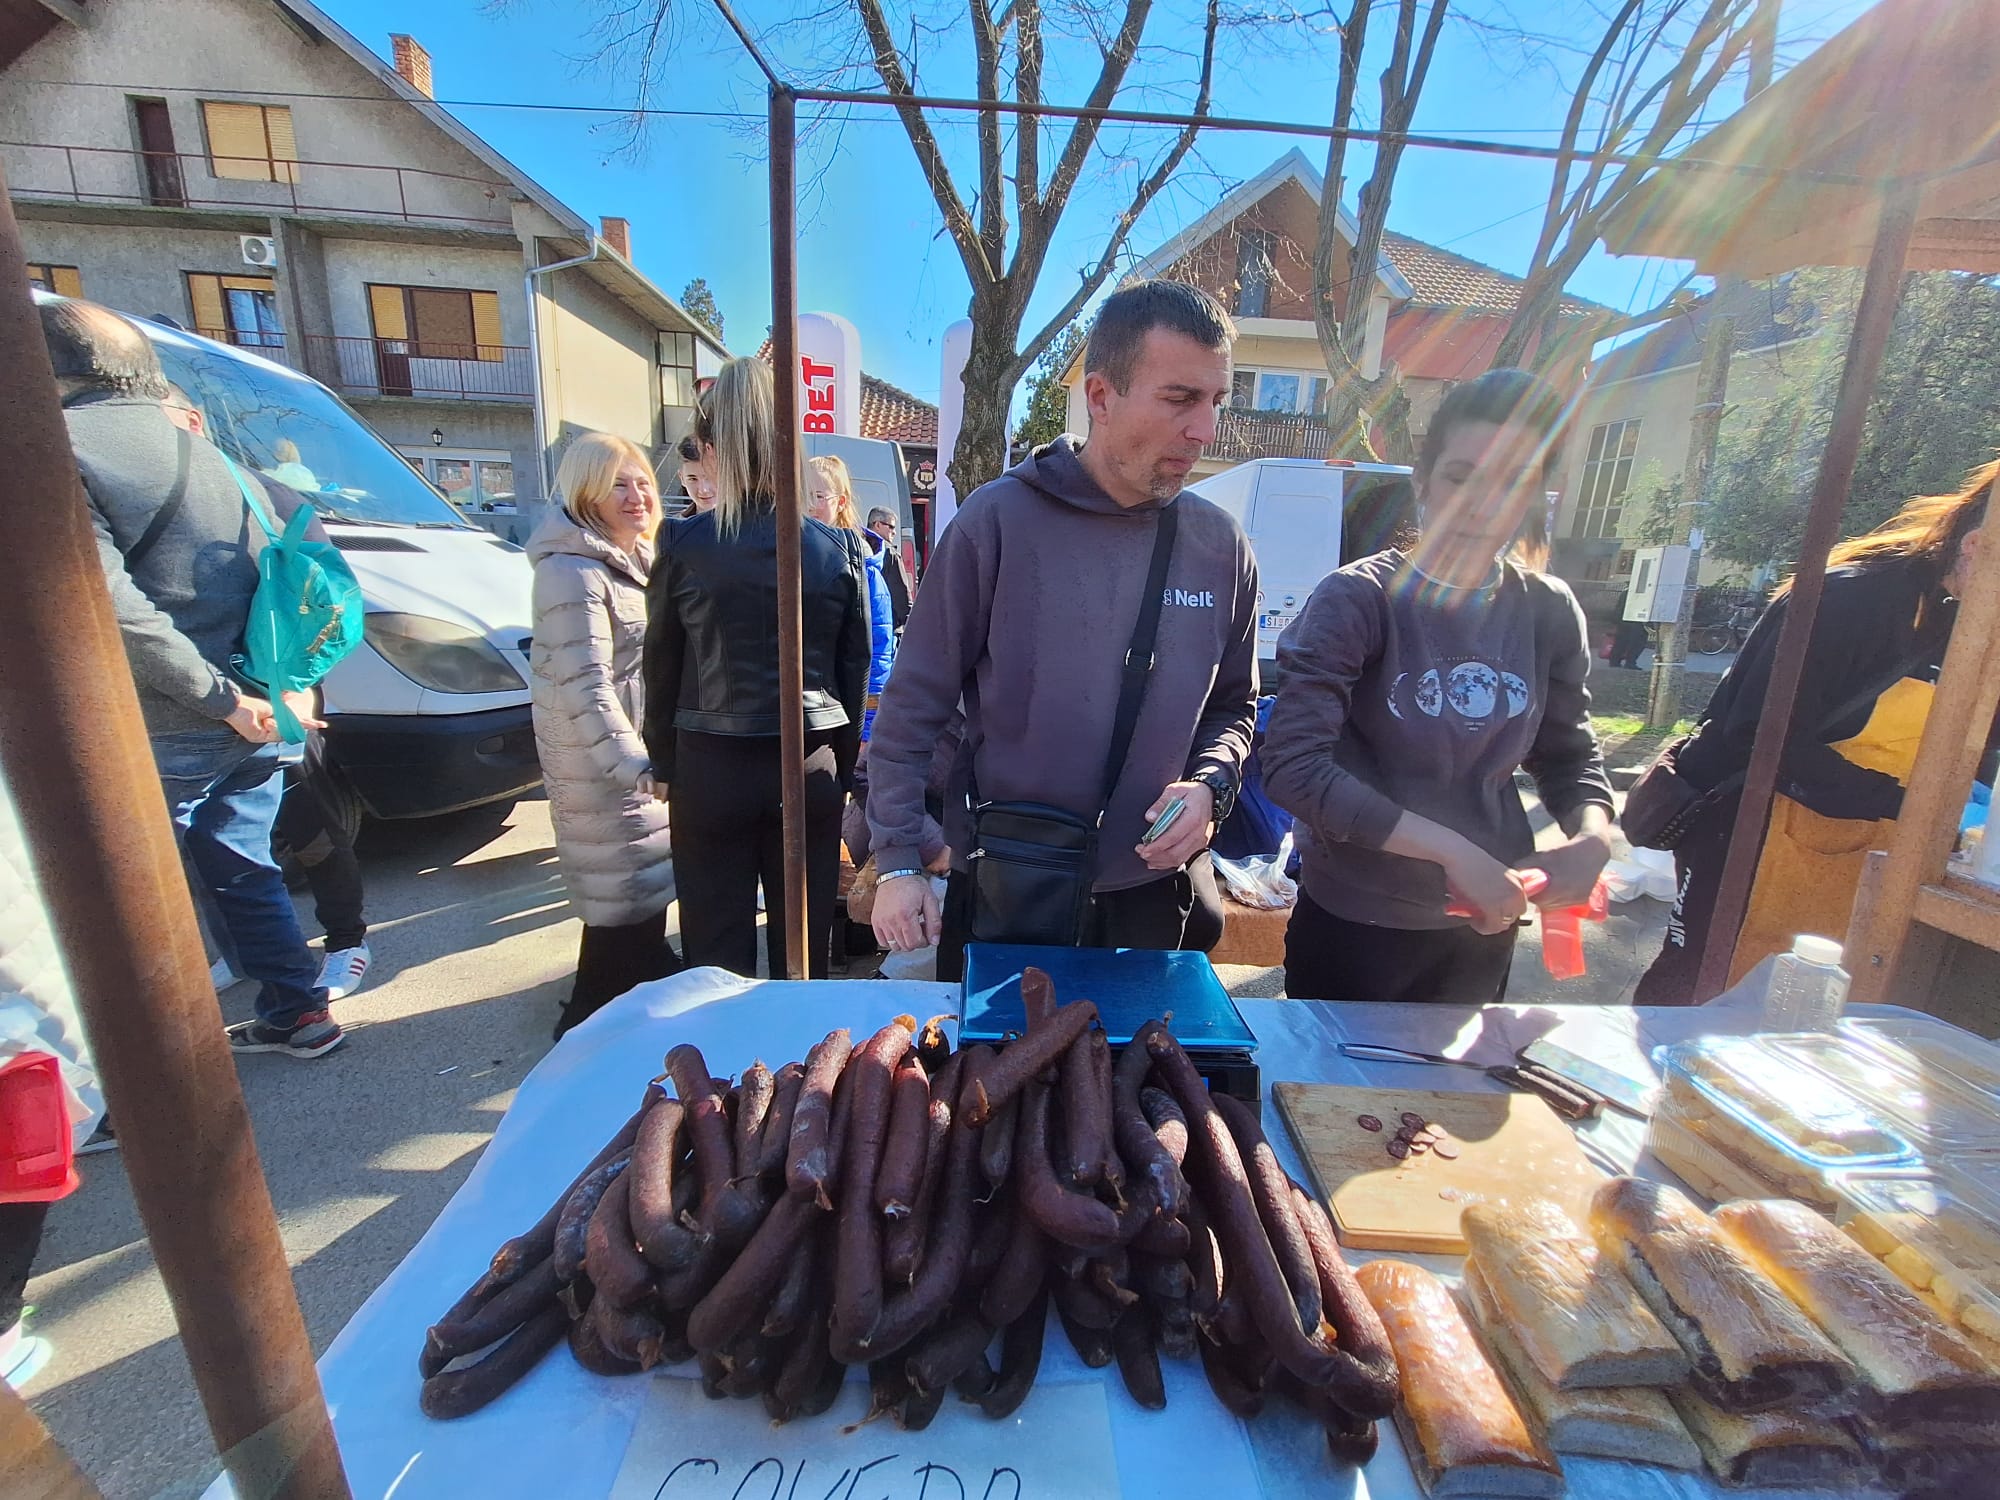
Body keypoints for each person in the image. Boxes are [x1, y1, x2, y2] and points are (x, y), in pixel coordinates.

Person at [867, 279, 1258, 979]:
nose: (1205, 430)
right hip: (1010, 892)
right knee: (995, 1057)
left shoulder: (1221, 546)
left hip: (1152, 903)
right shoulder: (996, 522)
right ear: (1101, 396)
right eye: (1179, 399)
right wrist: (898, 859)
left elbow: (1234, 706)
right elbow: (913, 704)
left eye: (1215, 401)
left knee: (1142, 1057)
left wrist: (1209, 786)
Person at [43, 298, 342, 1059]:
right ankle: (298, 1011)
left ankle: (139, 1074)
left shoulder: (60, 452)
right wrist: (287, 689)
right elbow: (298, 591)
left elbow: (112, 608)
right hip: (262, 710)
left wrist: (221, 700)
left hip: (171, 719)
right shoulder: (226, 462)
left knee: (125, 898)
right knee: (243, 866)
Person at [1262, 368, 1616, 1006]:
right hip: (1356, 927)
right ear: (1423, 480)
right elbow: (1294, 768)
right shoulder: (1359, 599)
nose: (1483, 504)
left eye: (1512, 482)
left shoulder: (1549, 609)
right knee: (1344, 1076)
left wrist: (1593, 837)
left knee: (1459, 1074)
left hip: (1487, 924)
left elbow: (1571, 757)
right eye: (1461, 476)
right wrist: (1453, 852)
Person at [1635, 464, 1990, 1004]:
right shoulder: (1850, 601)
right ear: (1976, 547)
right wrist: (1908, 803)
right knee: (1703, 1001)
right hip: (1758, 842)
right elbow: (1762, 737)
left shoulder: (1968, 622)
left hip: (1869, 858)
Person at [643, 359, 869, 979]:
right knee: (803, 956)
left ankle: (727, 1048)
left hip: (710, 765)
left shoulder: (684, 544)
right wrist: (844, 762)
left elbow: (661, 666)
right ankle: (803, 1045)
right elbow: (853, 668)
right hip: (809, 762)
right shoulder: (836, 547)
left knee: (715, 959)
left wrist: (662, 760)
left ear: (714, 447)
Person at [528, 432, 681, 1038]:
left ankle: (645, 978)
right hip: (602, 763)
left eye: (642, 481)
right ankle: (586, 1023)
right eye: (618, 484)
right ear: (586, 491)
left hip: (632, 752)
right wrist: (636, 766)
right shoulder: (571, 571)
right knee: (618, 891)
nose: (637, 495)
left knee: (641, 884)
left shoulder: (632, 559)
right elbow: (586, 684)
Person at [271, 733, 372, 999]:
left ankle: (347, 943)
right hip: (192, 736)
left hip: (279, 725)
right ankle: (238, 949)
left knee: (315, 835)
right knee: (218, 848)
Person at [809, 454, 896, 743]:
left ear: (841, 502)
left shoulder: (865, 571)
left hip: (842, 716)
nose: (810, 504)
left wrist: (867, 732)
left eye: (819, 496)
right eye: (803, 494)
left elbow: (878, 655)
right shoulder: (784, 559)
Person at [866, 504, 914, 630]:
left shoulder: (856, 547)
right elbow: (902, 597)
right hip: (886, 624)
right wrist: (908, 621)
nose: (894, 532)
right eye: (891, 527)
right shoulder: (890, 554)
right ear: (877, 525)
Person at [670, 433, 718, 515]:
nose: (703, 490)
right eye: (693, 479)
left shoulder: (741, 521)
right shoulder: (674, 523)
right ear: (682, 478)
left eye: (710, 477)